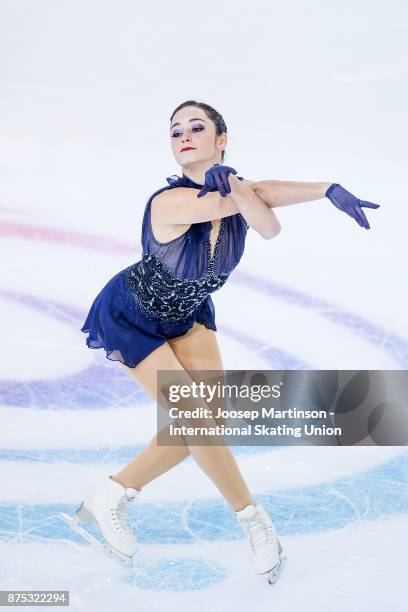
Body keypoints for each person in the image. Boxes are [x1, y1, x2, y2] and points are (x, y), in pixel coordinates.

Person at [60, 100, 380, 585]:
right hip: (134, 316)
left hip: (189, 316)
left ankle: (111, 494)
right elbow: (244, 205)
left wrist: (327, 189)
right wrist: (240, 188)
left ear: (221, 138)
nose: (184, 136)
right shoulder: (167, 202)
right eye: (175, 132)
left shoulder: (239, 192)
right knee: (196, 421)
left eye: (196, 127)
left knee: (202, 425)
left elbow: (268, 224)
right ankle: (254, 521)